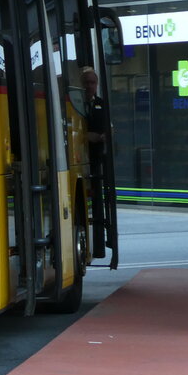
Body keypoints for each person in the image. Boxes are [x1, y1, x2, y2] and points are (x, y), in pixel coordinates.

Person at [81, 66, 109, 259]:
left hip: (97, 157)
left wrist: (104, 136)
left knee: (98, 196)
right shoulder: (75, 103)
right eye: (87, 82)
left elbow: (108, 127)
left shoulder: (101, 104)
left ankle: (100, 241)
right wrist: (84, 136)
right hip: (80, 156)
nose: (90, 86)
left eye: (93, 82)